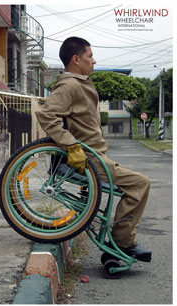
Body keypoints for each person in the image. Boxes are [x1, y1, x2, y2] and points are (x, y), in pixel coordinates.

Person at [35, 36, 152, 262]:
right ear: (76, 59)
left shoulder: (80, 83)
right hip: (89, 159)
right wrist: (71, 145)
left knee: (134, 184)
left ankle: (120, 240)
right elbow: (47, 115)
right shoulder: (70, 85)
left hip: (96, 156)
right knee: (140, 183)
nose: (94, 61)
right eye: (90, 56)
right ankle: (122, 242)